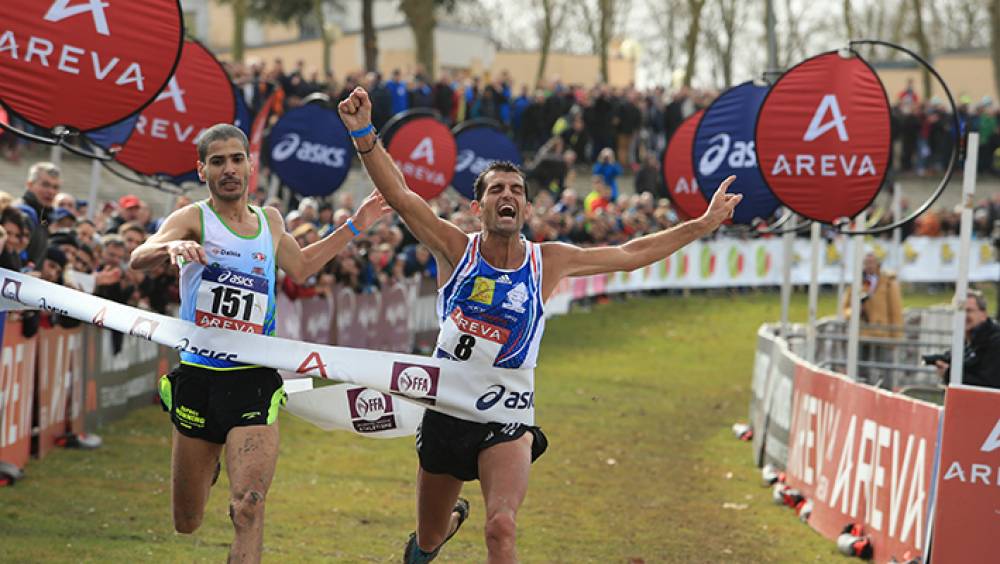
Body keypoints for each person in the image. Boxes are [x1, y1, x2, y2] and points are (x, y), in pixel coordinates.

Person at [337, 87, 741, 563]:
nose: (507, 196)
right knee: (426, 543)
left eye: (516, 191)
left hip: (508, 414)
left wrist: (701, 224)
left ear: (526, 210)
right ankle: (439, 533)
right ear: (478, 208)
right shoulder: (455, 249)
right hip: (446, 412)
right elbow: (402, 198)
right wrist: (363, 132)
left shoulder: (548, 261)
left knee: (502, 528)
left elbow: (631, 255)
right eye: (495, 191)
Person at [129, 123, 387, 563]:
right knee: (186, 520)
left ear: (250, 164)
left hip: (253, 378)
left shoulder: (269, 220)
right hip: (199, 378)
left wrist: (355, 226)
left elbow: (302, 267)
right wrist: (173, 249)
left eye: (236, 159)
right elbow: (138, 257)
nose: (228, 169)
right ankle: (208, 461)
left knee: (248, 504)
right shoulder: (194, 218)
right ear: (202, 170)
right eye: (217, 161)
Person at [842, 252, 903, 384]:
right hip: (861, 332)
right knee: (861, 368)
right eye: (866, 263)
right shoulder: (857, 283)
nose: (869, 266)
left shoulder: (888, 283)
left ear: (878, 264)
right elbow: (846, 309)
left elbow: (895, 310)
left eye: (871, 263)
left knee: (885, 369)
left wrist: (896, 336)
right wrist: (855, 311)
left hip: (882, 332)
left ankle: (885, 392)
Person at [935, 290, 1000, 389]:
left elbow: (989, 386)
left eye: (969, 311)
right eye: (958, 311)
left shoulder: (996, 342)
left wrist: (948, 373)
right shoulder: (966, 340)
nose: (963, 316)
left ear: (984, 314)